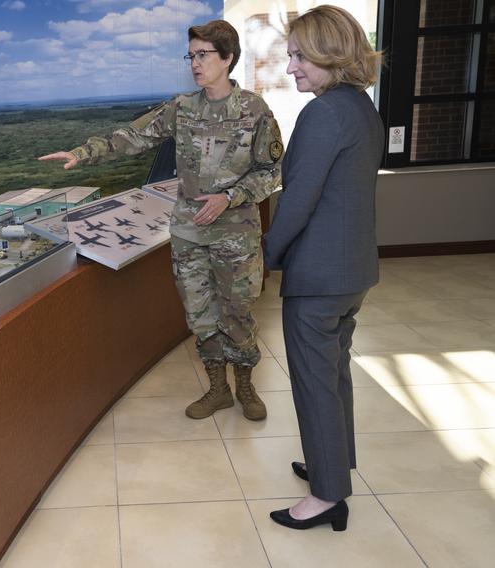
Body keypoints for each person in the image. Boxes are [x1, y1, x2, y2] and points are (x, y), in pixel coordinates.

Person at [40, 20, 283, 421]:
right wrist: (82, 153)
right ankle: (218, 389)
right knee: (199, 313)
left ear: (228, 58)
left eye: (203, 54)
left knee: (236, 312)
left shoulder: (254, 111)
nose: (194, 63)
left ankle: (245, 385)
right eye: (191, 55)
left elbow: (270, 171)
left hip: (235, 235)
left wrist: (229, 197)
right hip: (188, 233)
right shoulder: (182, 109)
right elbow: (131, 137)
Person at [263, 5, 384, 531]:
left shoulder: (323, 113)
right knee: (333, 376)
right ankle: (331, 465)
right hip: (351, 270)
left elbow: (298, 201)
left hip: (318, 278)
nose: (291, 68)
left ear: (330, 53)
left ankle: (327, 495)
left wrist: (265, 258)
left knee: (315, 382)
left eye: (298, 57)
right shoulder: (360, 107)